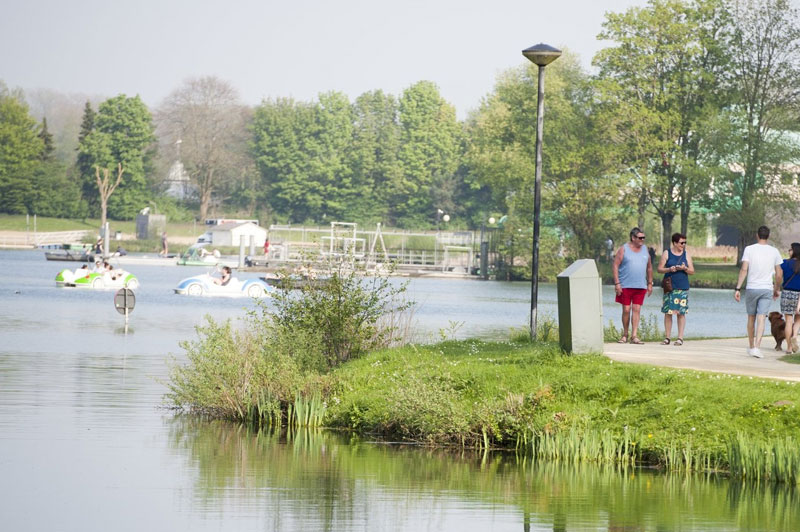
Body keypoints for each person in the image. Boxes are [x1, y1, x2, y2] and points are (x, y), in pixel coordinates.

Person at [734, 225, 782, 358]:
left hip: (751, 287)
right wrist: (776, 288)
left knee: (751, 317)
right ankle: (757, 347)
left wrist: (738, 288)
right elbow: (779, 273)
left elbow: (744, 269)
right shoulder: (774, 251)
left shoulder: (749, 249)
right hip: (766, 288)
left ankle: (751, 346)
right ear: (769, 236)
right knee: (762, 318)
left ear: (757, 235)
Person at [612, 227, 653, 344]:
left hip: (640, 285)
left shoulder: (645, 249)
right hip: (625, 285)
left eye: (643, 238)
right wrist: (617, 283)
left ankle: (634, 336)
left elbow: (649, 267)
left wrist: (650, 283)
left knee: (637, 309)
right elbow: (615, 266)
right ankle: (625, 334)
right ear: (633, 238)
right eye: (640, 238)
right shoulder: (623, 249)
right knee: (626, 309)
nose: (642, 240)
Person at [657, 233, 694, 346]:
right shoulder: (667, 253)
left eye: (684, 243)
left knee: (681, 313)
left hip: (682, 287)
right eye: (681, 243)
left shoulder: (686, 255)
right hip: (670, 287)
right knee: (668, 312)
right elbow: (659, 269)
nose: (683, 245)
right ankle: (667, 337)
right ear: (675, 243)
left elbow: (692, 271)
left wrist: (685, 268)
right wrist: (669, 269)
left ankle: (680, 338)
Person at [779, 242, 800, 353]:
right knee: (798, 320)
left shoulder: (785, 263)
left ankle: (789, 348)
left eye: (790, 249)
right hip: (799, 295)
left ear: (794, 251)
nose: (789, 251)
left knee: (788, 321)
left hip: (787, 293)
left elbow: (779, 275)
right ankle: (795, 335)